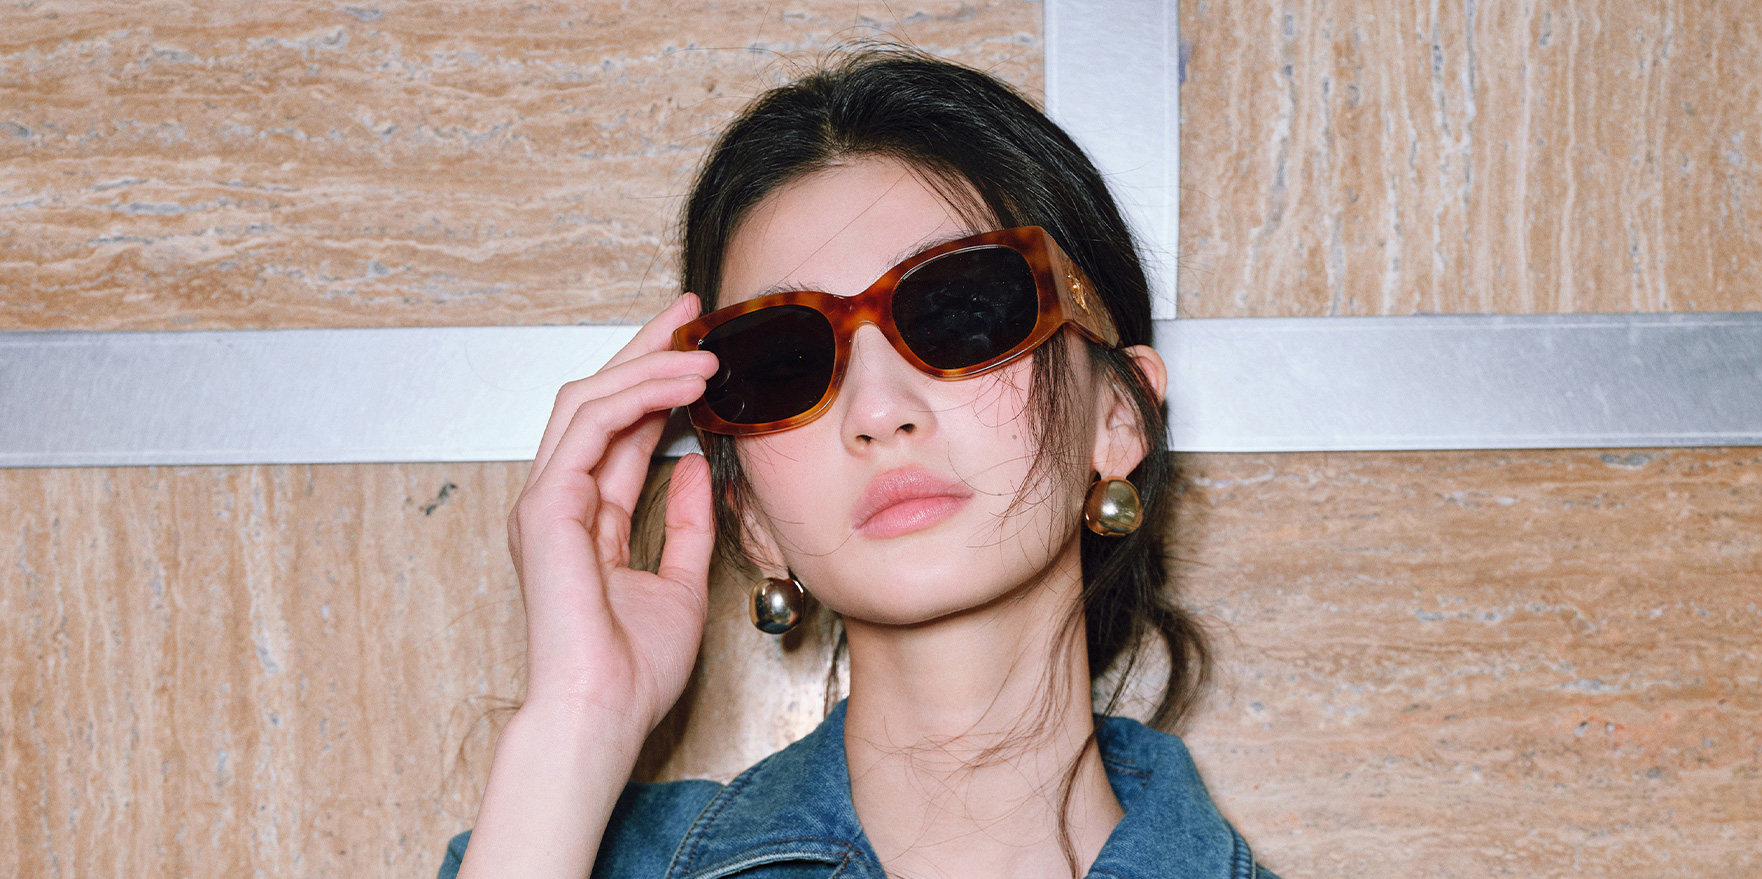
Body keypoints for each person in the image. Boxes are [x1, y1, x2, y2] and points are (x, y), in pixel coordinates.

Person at [441, 48, 1277, 879]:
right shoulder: (549, 844)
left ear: (1118, 416)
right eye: (784, 362)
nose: (877, 411)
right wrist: (575, 722)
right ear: (749, 515)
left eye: (961, 313)